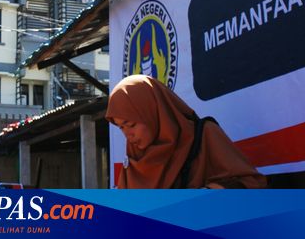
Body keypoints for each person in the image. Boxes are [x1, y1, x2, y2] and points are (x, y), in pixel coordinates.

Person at [107, 74, 266, 189]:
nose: (128, 135)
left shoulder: (204, 135)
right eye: (121, 127)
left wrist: (211, 193)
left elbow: (252, 184)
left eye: (131, 124)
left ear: (153, 112)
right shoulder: (135, 155)